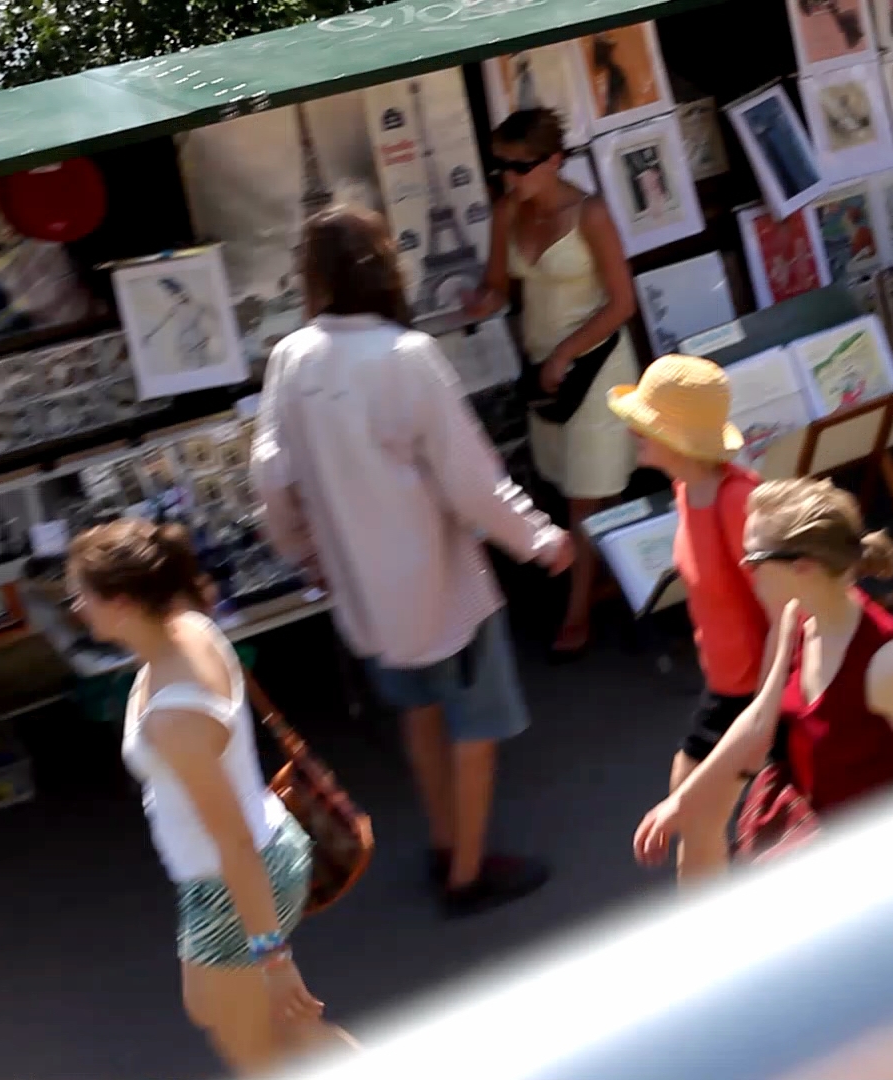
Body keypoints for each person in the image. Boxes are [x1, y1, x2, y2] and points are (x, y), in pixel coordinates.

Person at [252, 205, 574, 916]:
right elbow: (470, 479)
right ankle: (468, 872)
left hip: (362, 589)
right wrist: (539, 537)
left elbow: (272, 480)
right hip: (440, 577)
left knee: (419, 715)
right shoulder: (405, 356)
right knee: (475, 725)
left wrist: (304, 553)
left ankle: (443, 843)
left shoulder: (290, 359)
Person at [66, 518, 354, 1074]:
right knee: (279, 1032)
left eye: (84, 594)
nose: (77, 606)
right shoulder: (189, 626)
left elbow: (232, 841)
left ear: (123, 602)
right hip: (259, 851)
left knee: (259, 1053)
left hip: (229, 882)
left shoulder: (175, 718)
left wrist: (274, 961)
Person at [633, 478, 893, 868]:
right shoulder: (796, 618)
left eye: (753, 557)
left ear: (803, 566)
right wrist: (681, 803)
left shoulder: (889, 666)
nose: (744, 566)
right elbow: (760, 719)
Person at [468, 108, 640, 663]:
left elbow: (622, 303)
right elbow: (498, 287)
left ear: (554, 160)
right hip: (547, 374)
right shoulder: (507, 214)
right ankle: (625, 575)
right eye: (501, 167)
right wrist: (475, 307)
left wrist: (567, 350)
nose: (509, 178)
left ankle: (578, 611)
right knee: (576, 485)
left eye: (520, 166)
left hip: (596, 366)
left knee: (583, 497)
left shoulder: (589, 214)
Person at [607, 355, 776, 883]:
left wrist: (772, 710)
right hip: (727, 687)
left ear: (673, 435)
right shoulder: (687, 491)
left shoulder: (736, 501)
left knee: (698, 815)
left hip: (757, 692)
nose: (631, 427)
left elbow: (786, 610)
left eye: (645, 419)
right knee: (695, 819)